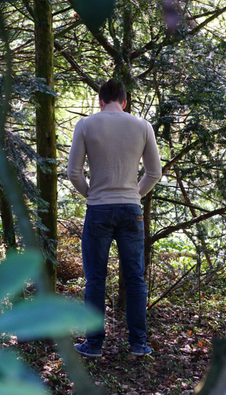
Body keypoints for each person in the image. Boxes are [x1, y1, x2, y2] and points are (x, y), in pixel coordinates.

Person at [67, 79, 162, 357]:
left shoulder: (86, 125)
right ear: (125, 101)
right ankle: (138, 344)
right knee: (135, 279)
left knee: (95, 279)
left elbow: (74, 173)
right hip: (131, 210)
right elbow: (154, 173)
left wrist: (92, 195)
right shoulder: (143, 126)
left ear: (100, 101)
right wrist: (135, 195)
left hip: (98, 209)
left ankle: (94, 345)